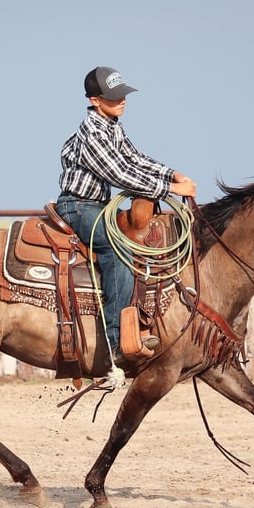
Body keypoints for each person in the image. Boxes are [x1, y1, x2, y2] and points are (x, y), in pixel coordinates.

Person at [55, 66, 197, 365]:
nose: (122, 100)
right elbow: (118, 173)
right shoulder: (92, 132)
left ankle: (143, 320)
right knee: (117, 251)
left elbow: (135, 158)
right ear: (95, 100)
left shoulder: (113, 125)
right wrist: (169, 187)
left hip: (98, 205)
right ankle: (117, 341)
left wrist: (173, 173)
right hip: (79, 206)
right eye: (114, 96)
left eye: (122, 94)